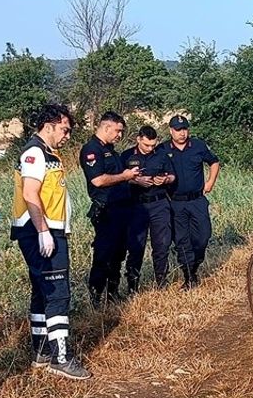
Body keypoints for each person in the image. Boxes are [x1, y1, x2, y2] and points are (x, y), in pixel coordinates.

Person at [11, 104, 91, 380]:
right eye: (65, 129)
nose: (67, 135)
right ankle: (61, 357)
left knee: (42, 290)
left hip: (46, 230)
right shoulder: (35, 152)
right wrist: (43, 230)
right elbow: (31, 194)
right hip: (40, 232)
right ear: (49, 125)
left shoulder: (47, 152)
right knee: (58, 292)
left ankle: (42, 352)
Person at [80, 112, 141, 304]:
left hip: (122, 209)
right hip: (106, 211)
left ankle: (113, 293)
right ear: (106, 127)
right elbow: (98, 180)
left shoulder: (111, 150)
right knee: (104, 254)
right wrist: (125, 176)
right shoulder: (92, 150)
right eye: (118, 131)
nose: (120, 135)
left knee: (118, 254)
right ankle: (96, 295)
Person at [162, 115, 219, 289]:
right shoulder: (163, 149)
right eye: (178, 130)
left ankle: (194, 264)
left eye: (184, 129)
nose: (182, 133)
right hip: (176, 202)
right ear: (171, 130)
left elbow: (214, 162)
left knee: (203, 237)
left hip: (197, 200)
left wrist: (210, 182)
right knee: (182, 240)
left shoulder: (198, 146)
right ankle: (189, 277)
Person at [121, 126, 176, 291]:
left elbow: (172, 175)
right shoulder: (126, 156)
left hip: (159, 204)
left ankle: (161, 283)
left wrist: (165, 180)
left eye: (153, 145)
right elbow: (119, 179)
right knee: (136, 246)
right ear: (138, 139)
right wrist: (136, 181)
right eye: (146, 145)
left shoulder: (161, 155)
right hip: (137, 205)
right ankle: (133, 286)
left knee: (162, 245)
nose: (150, 148)